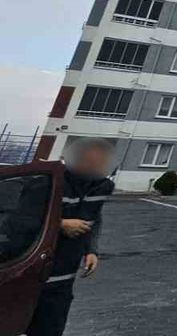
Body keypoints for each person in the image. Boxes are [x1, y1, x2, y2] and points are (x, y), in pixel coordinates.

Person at [26, 138, 114, 336]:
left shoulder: (101, 186)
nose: (97, 166)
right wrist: (60, 224)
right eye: (92, 161)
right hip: (32, 269)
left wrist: (91, 250)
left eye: (102, 162)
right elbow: (21, 219)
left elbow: (94, 217)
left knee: (51, 325)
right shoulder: (49, 181)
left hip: (64, 275)